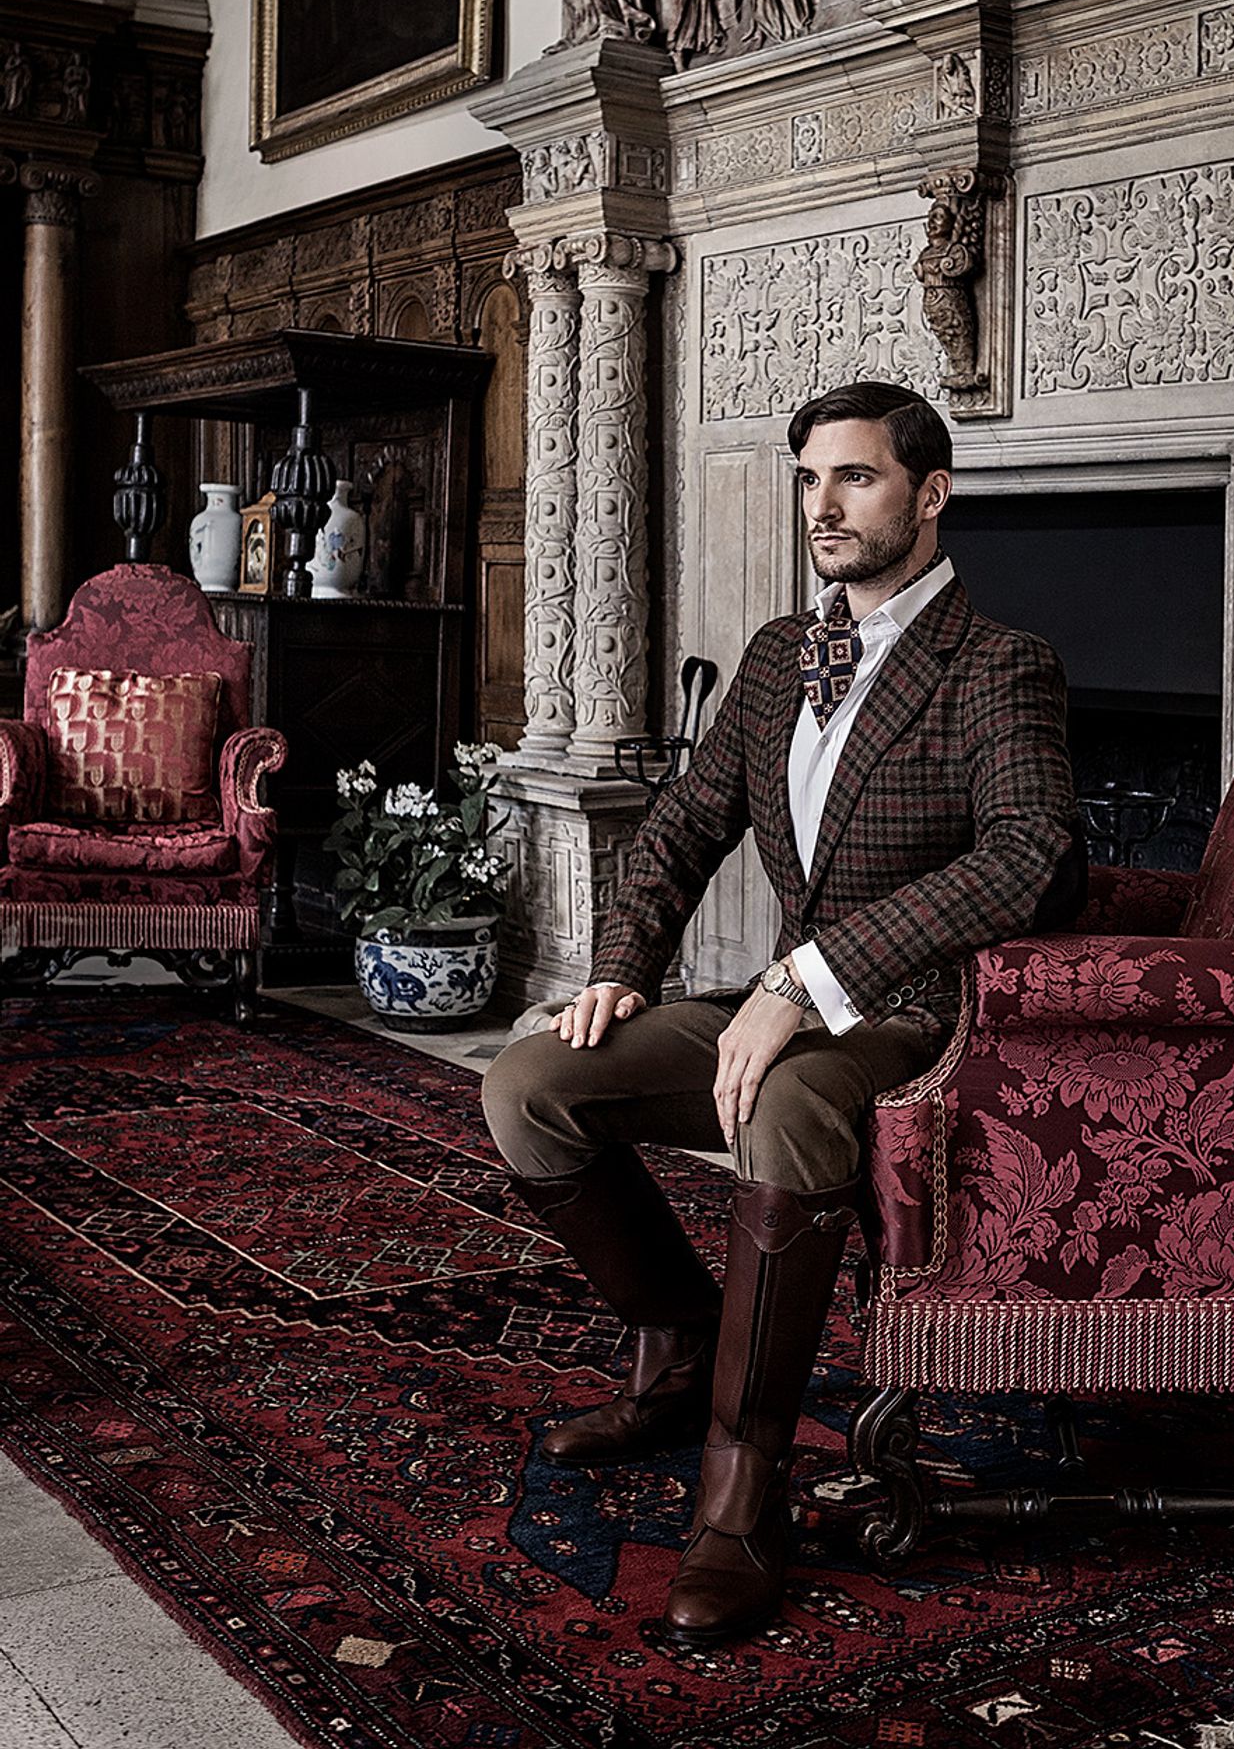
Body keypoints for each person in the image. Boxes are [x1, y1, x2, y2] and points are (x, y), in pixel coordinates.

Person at [482, 382, 1084, 1648]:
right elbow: (690, 820)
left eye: (856, 478)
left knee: (795, 1102)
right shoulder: (774, 654)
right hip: (775, 999)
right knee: (529, 1082)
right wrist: (623, 962)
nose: (825, 504)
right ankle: (682, 1340)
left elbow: (1031, 858)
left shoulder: (1001, 663)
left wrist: (807, 981)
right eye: (811, 477)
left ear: (931, 495)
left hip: (919, 1020)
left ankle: (742, 1488)